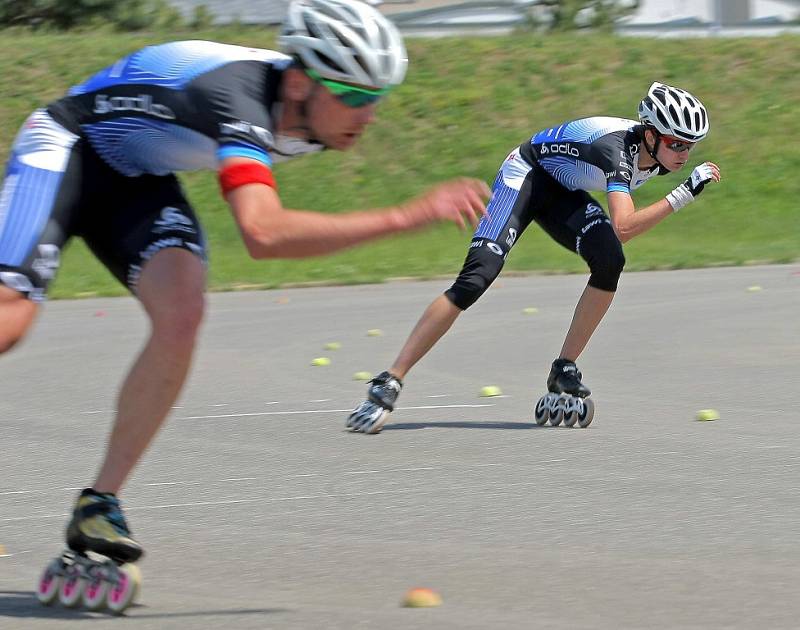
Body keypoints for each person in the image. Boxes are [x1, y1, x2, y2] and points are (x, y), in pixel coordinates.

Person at [0, 0, 489, 567]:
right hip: (66, 145)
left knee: (182, 313)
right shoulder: (238, 98)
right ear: (303, 82)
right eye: (355, 96)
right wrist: (408, 215)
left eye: (377, 98)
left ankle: (99, 503)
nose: (369, 114)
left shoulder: (301, 107)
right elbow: (263, 232)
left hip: (134, 178)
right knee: (11, 316)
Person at [347, 82, 721, 434]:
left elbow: (617, 233)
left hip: (562, 188)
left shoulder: (654, 153)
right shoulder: (617, 151)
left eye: (690, 147)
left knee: (610, 261)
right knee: (476, 278)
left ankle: (564, 368)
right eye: (676, 145)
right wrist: (684, 194)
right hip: (525, 174)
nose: (683, 156)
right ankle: (391, 378)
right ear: (650, 134)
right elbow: (623, 225)